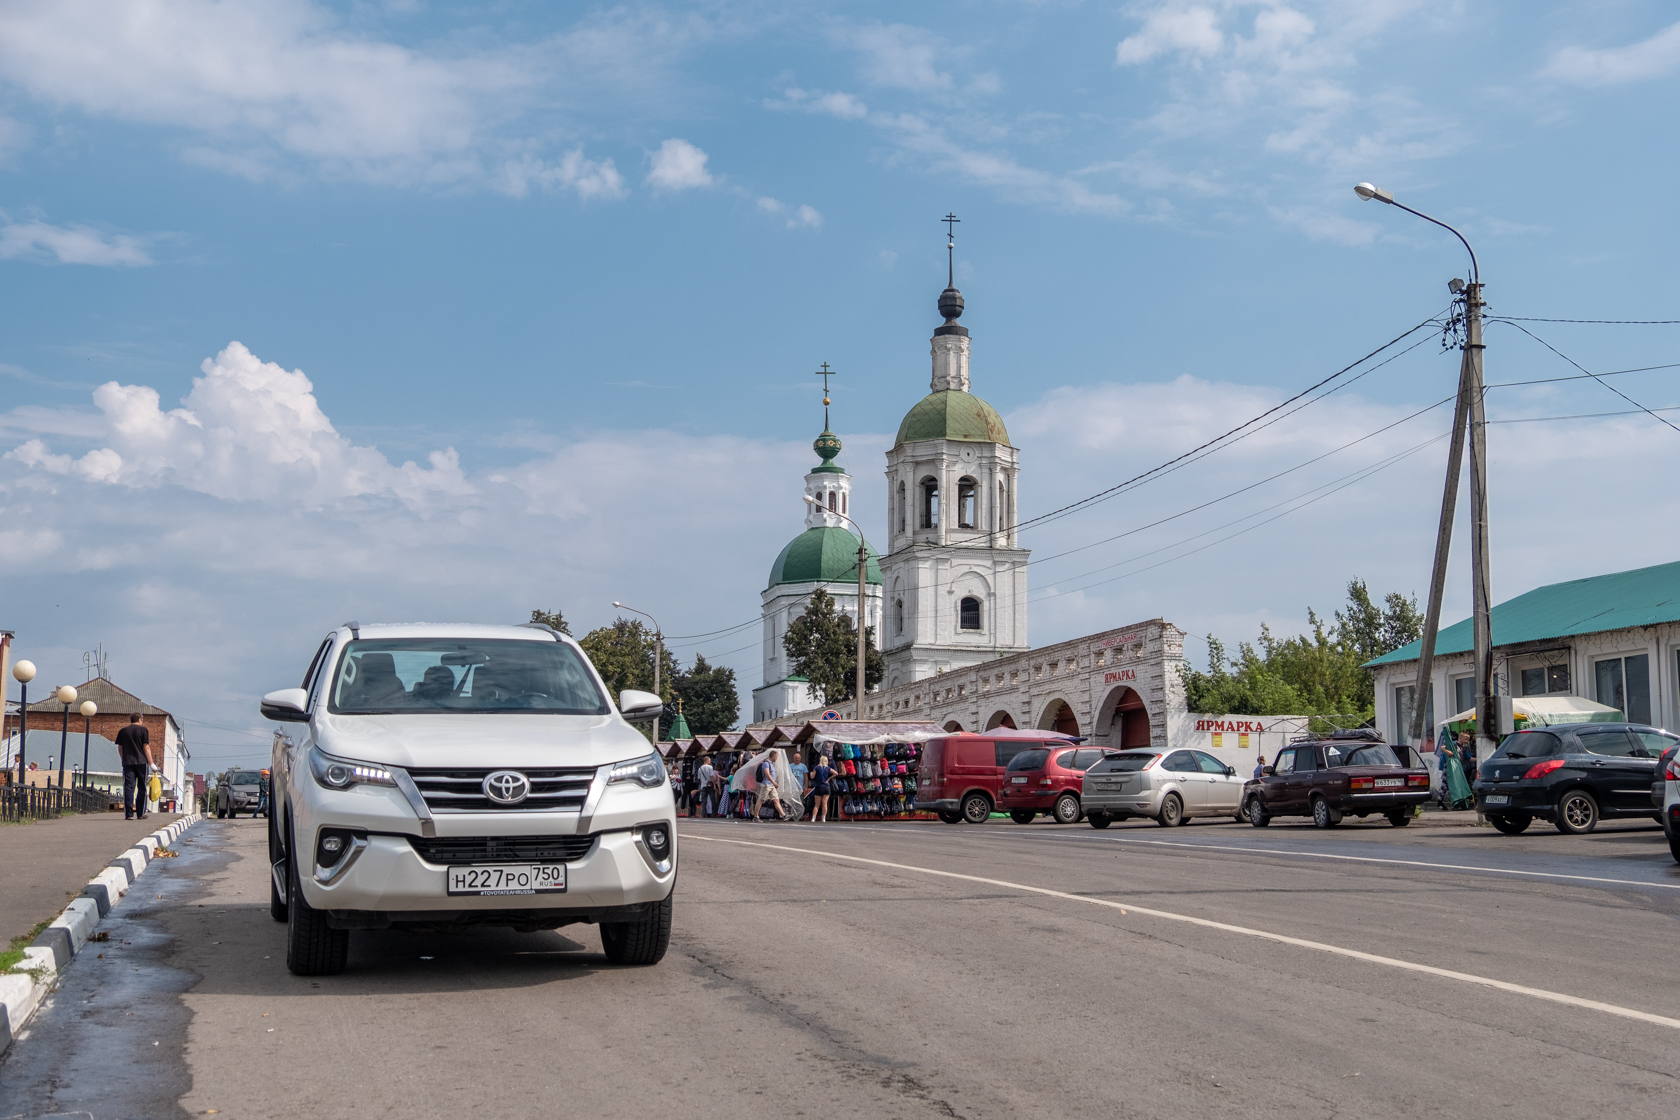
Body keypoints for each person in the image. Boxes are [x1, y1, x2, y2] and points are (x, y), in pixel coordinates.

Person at [115, 714, 151, 820]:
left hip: (128, 762)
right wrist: (151, 762)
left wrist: (123, 759)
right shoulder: (143, 730)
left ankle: (129, 814)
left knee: (129, 787)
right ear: (140, 719)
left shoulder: (123, 731)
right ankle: (140, 813)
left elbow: (120, 748)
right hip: (141, 762)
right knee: (142, 787)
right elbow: (146, 747)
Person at [1438, 732, 1475, 811]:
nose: (1466, 741)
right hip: (1449, 768)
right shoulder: (1453, 744)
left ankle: (1455, 804)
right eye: (1465, 739)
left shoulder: (1463, 749)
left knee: (1455, 786)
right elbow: (1442, 748)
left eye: (1468, 740)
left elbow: (1469, 758)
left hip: (1457, 770)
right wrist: (1448, 752)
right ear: (1460, 738)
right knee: (1445, 785)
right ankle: (1439, 802)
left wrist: (1479, 759)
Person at [754, 753, 786, 821]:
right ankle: (756, 816)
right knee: (761, 800)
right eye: (776, 757)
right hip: (766, 784)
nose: (777, 758)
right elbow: (767, 774)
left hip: (771, 785)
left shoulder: (771, 764)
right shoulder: (766, 763)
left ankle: (783, 815)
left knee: (776, 800)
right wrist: (774, 782)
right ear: (773, 756)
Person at [811, 754, 833, 824]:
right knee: (825, 803)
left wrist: (811, 773)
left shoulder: (816, 768)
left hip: (818, 787)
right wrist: (829, 778)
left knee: (817, 804)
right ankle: (823, 818)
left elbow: (812, 777)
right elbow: (836, 773)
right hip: (826, 787)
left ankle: (813, 818)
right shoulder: (828, 768)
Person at [788, 754, 809, 821]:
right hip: (792, 787)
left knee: (800, 801)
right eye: (796, 758)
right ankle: (792, 815)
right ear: (794, 758)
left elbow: (806, 776)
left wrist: (806, 786)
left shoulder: (803, 766)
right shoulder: (790, 766)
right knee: (792, 802)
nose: (797, 759)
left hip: (800, 787)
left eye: (799, 758)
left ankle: (800, 815)